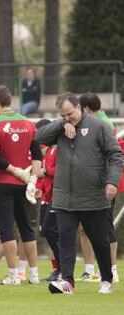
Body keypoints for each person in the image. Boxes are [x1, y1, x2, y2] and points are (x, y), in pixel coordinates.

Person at [35, 92, 123, 295]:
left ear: (79, 107)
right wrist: (61, 124)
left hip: (93, 196)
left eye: (70, 113)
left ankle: (107, 279)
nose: (68, 118)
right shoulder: (61, 127)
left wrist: (111, 182)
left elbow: (116, 155)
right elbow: (38, 137)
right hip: (65, 197)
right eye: (63, 115)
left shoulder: (99, 126)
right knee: (65, 239)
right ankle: (67, 281)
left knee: (99, 240)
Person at [0, 85, 42, 285]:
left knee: (7, 229)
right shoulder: (29, 124)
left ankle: (13, 276)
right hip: (25, 183)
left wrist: (14, 171)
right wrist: (32, 179)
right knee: (27, 228)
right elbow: (37, 155)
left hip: (2, 183)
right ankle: (34, 274)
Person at [76, 92, 119, 283]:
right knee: (87, 227)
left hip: (103, 184)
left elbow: (113, 157)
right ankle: (90, 269)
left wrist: (109, 182)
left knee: (105, 226)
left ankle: (111, 270)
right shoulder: (96, 123)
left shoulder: (104, 125)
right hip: (93, 184)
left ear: (85, 109)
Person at [35, 119, 60, 282]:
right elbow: (44, 177)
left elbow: (59, 170)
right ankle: (59, 269)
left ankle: (64, 269)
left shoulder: (60, 149)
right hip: (48, 196)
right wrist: (40, 189)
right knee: (48, 232)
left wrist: (45, 171)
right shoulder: (49, 150)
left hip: (59, 196)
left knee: (51, 231)